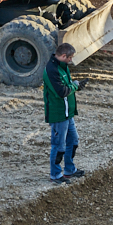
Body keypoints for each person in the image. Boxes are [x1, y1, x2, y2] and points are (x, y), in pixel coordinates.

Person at [42, 43, 88, 184]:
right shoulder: (51, 70)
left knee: (73, 141)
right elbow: (61, 92)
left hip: (68, 114)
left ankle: (69, 170)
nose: (71, 60)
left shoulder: (63, 67)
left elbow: (67, 88)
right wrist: (75, 85)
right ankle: (55, 175)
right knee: (59, 146)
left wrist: (76, 86)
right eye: (70, 58)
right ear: (63, 56)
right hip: (59, 115)